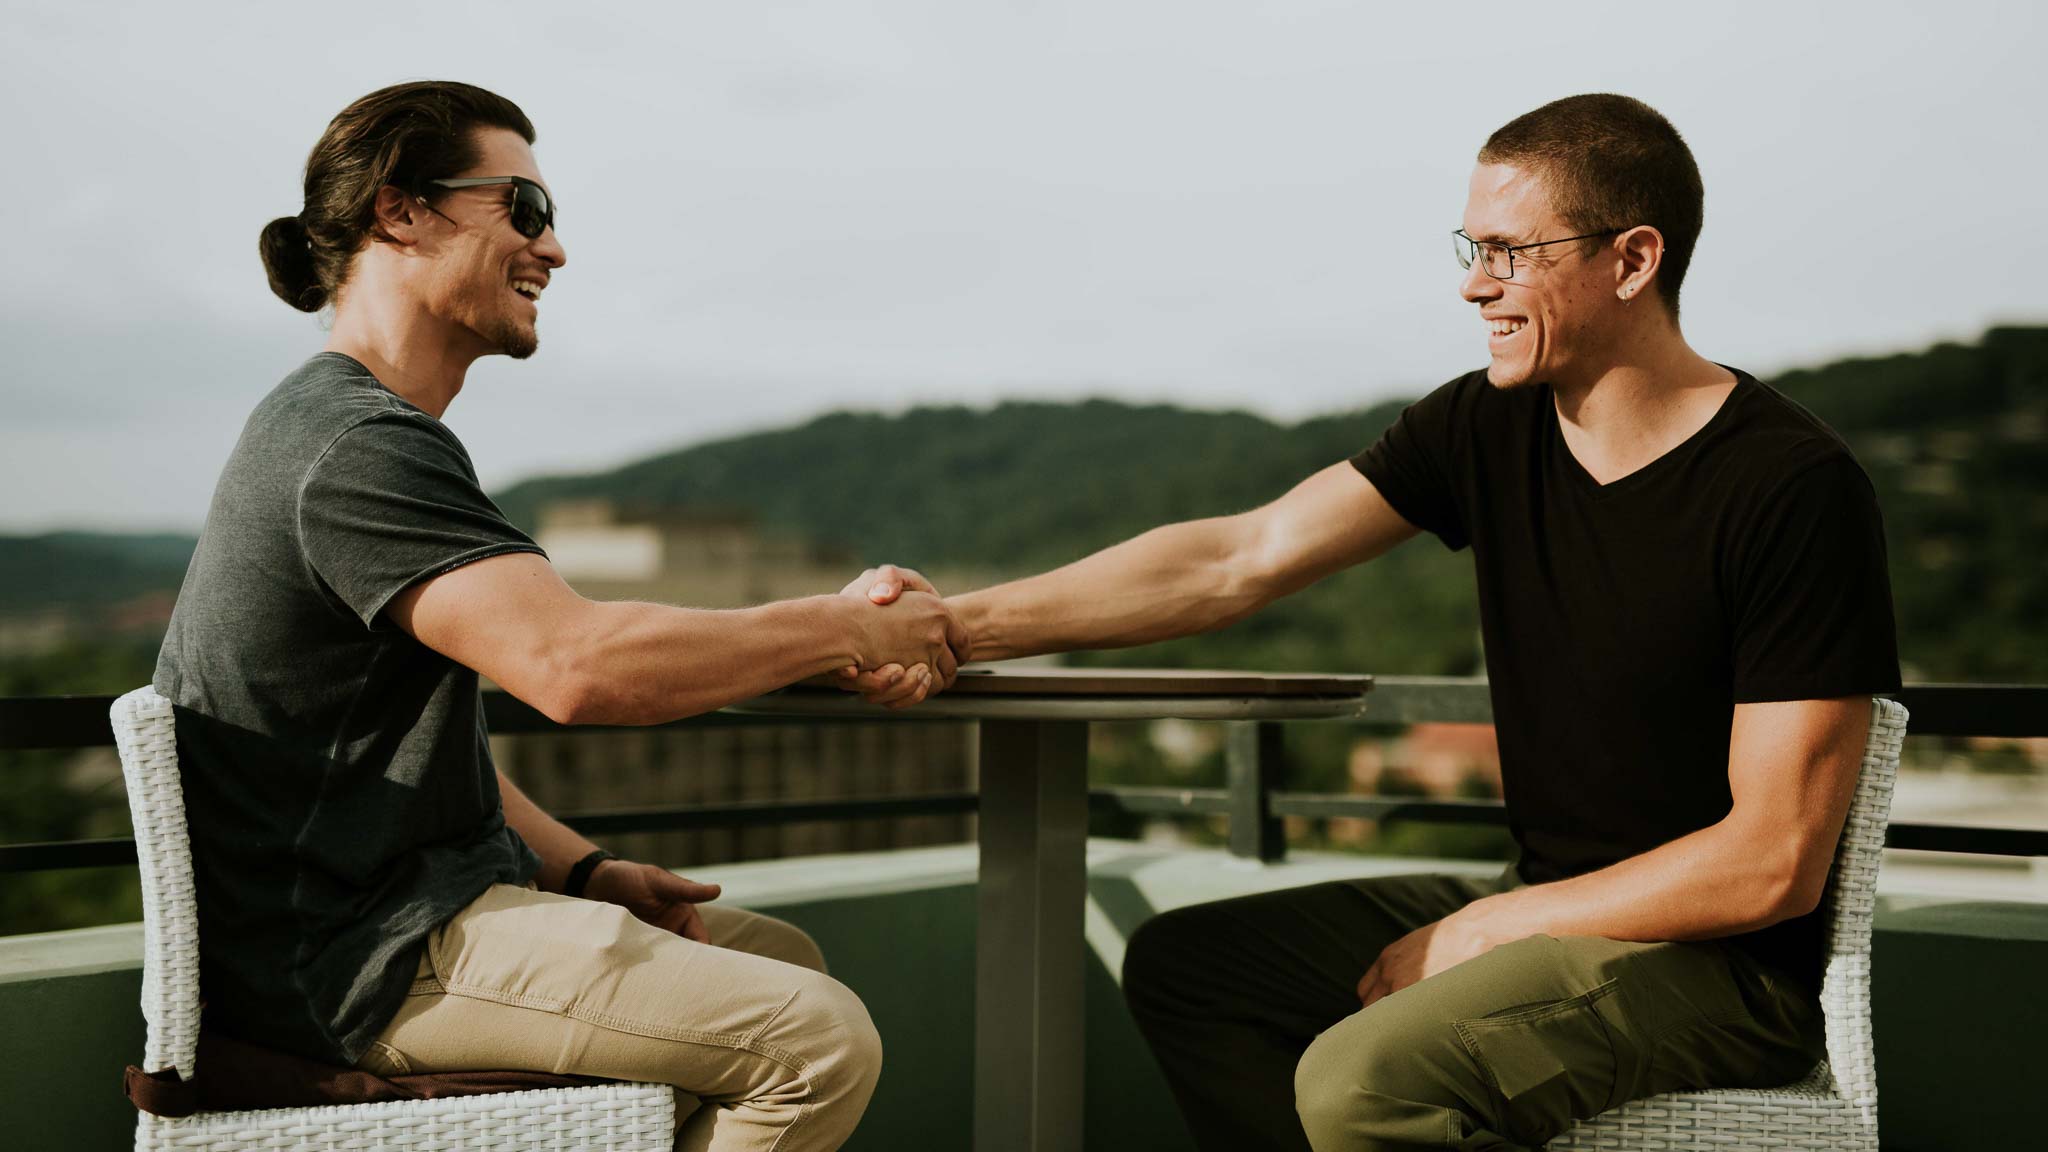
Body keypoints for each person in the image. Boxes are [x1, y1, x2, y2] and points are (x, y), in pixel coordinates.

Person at [869, 93, 1901, 1150]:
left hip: (1719, 969)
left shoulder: (1788, 487)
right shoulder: (1481, 425)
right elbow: (1240, 556)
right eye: (1470, 246)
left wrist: (1487, 926)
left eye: (1510, 251)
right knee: (1195, 971)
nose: (1473, 283)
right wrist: (956, 627)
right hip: (1539, 902)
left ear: (1631, 260)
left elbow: (1768, 861)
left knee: (1363, 1081)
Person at [154, 80, 965, 1152]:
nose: (556, 250)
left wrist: (582, 871)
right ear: (401, 211)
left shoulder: (356, 430)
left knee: (778, 959)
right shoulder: (355, 445)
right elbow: (577, 667)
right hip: (357, 962)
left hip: (391, 923)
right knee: (816, 1041)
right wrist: (849, 625)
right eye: (525, 211)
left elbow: (387, 750)